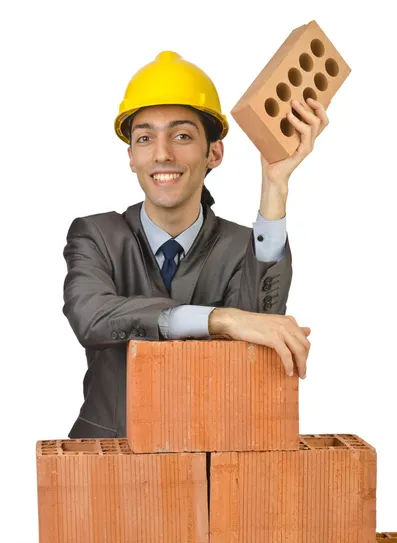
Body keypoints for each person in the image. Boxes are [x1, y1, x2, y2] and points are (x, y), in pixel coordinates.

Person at [63, 50, 329, 438]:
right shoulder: (97, 236)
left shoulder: (242, 246)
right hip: (108, 455)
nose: (162, 154)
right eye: (145, 138)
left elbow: (262, 320)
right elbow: (91, 316)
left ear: (214, 153)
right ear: (131, 157)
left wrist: (275, 184)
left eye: (182, 136)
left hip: (212, 462)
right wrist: (221, 318)